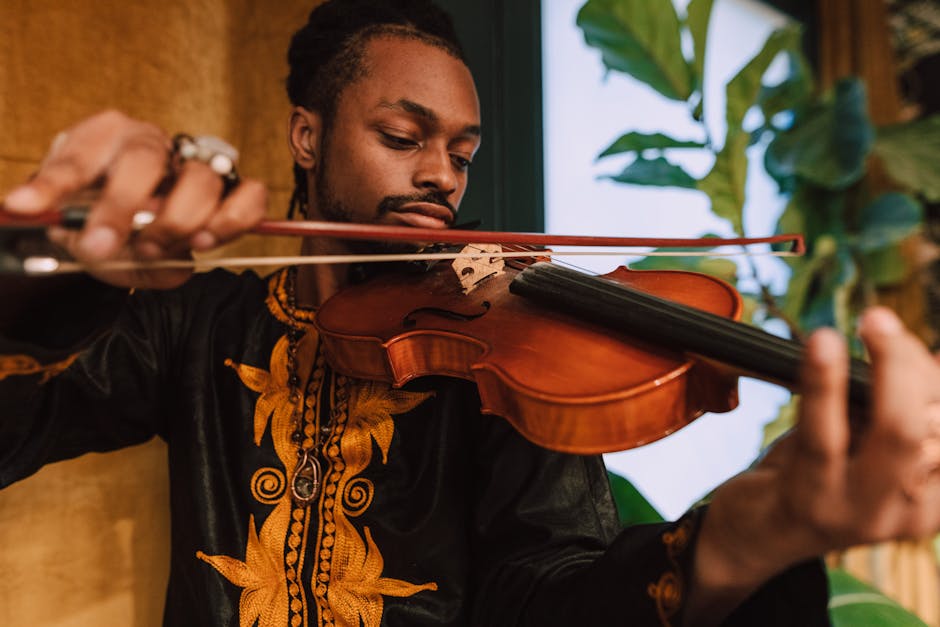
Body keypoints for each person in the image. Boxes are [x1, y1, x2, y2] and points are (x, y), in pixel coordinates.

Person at [2, 1, 939, 625]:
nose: (441, 176)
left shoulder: (501, 350)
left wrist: (735, 542)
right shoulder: (203, 317)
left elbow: (553, 594)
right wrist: (55, 266)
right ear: (307, 135)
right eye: (403, 137)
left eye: (461, 151)